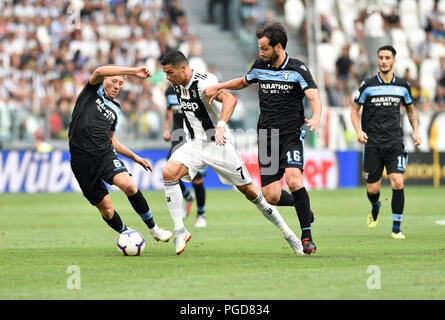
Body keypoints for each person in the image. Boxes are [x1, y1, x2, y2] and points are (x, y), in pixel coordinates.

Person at [160, 50, 305, 255]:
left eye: (170, 72)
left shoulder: (203, 82)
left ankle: (289, 234)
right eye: (165, 73)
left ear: (183, 68)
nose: (167, 77)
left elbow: (230, 100)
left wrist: (220, 126)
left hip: (218, 146)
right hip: (194, 145)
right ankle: (180, 230)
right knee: (168, 173)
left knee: (252, 193)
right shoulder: (175, 85)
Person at [204, 22, 322, 254]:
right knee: (271, 195)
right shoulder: (260, 64)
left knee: (294, 179)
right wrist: (218, 85)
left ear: (278, 47)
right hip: (267, 136)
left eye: (265, 48)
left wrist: (316, 117)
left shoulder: (298, 69)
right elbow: (243, 81)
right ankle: (304, 208)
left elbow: (314, 97)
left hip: (290, 135)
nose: (260, 53)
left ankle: (306, 237)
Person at [68, 64, 173, 242]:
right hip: (81, 162)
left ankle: (154, 229)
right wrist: (133, 72)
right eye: (114, 81)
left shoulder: (115, 109)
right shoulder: (91, 92)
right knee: (107, 211)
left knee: (129, 186)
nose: (117, 85)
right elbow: (99, 71)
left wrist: (135, 157)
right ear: (105, 81)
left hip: (104, 156)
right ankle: (127, 233)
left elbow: (112, 140)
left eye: (121, 83)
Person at [350, 45, 422, 239]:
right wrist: (358, 130)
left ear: (394, 61)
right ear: (377, 60)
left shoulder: (403, 85)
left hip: (394, 142)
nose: (383, 61)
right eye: (381, 57)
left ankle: (396, 228)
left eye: (387, 58)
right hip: (372, 143)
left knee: (398, 182)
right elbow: (354, 110)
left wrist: (416, 131)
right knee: (372, 189)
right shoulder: (367, 85)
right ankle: (375, 206)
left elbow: (411, 110)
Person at [164, 83, 208, 227]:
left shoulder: (195, 88)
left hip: (195, 136)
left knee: (197, 178)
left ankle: (201, 215)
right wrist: (166, 129)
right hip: (178, 135)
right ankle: (187, 196)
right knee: (169, 170)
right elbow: (169, 109)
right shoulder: (170, 90)